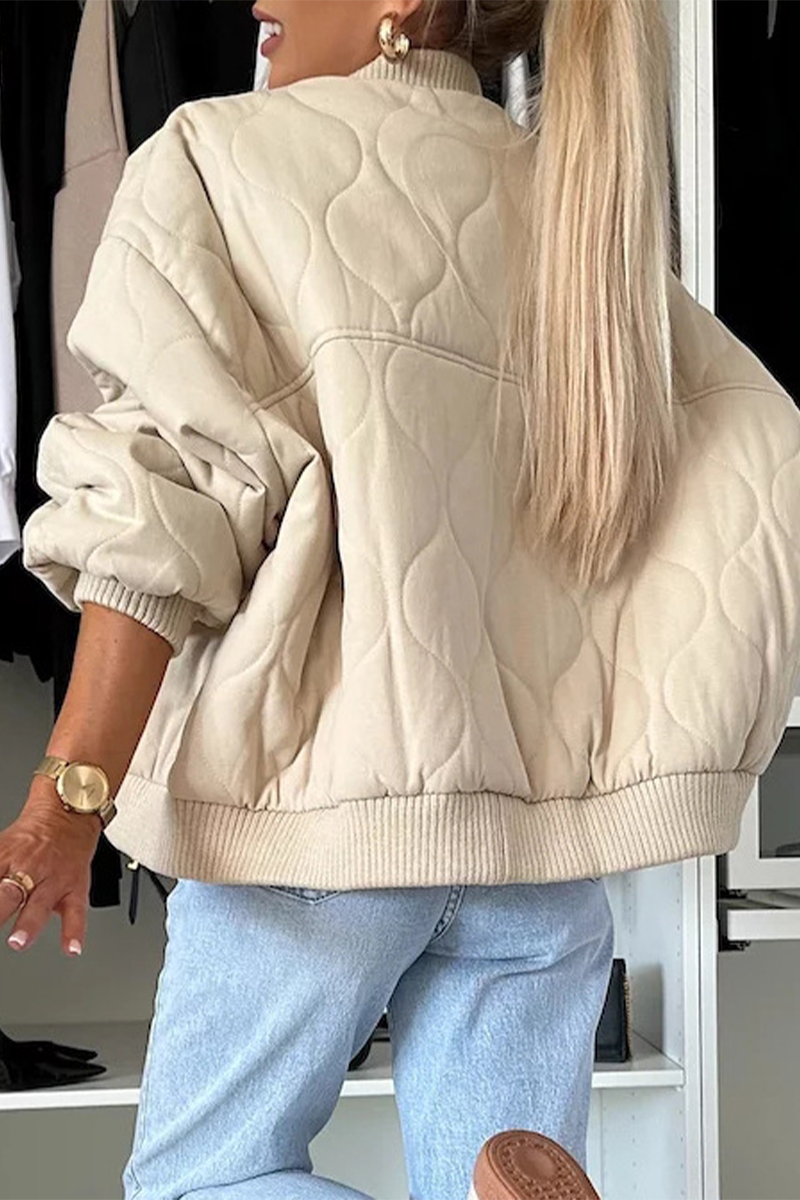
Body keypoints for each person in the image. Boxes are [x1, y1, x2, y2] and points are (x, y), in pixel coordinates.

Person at [3, 1, 800, 1198]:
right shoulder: (580, 212)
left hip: (316, 830)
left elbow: (158, 508)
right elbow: (751, 479)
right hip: (537, 860)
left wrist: (67, 800)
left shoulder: (223, 158)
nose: (258, 1)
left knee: (201, 1180)